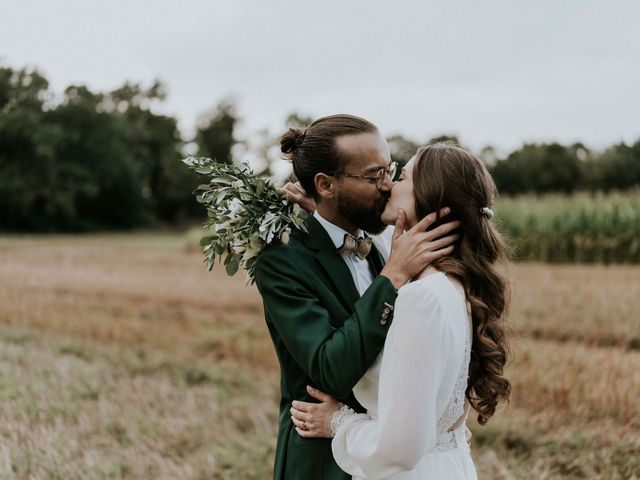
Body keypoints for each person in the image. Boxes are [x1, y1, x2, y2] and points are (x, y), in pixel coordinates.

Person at [253, 115, 460, 480]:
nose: (388, 185)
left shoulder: (381, 244)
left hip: (386, 455)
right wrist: (392, 277)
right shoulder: (282, 260)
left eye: (390, 170)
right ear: (325, 184)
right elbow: (328, 369)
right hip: (321, 461)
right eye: (373, 175)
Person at [289, 143, 512, 479]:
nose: (390, 185)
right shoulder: (456, 286)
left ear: (429, 197)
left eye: (404, 176)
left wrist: (338, 421)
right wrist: (326, 212)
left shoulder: (420, 299)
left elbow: (400, 449)